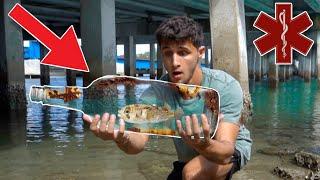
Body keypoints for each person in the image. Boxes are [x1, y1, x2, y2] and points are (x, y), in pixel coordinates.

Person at [82, 16, 252, 180]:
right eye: (167, 53)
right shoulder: (156, 92)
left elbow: (226, 151)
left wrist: (204, 144)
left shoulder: (224, 87)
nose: (174, 61)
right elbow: (138, 142)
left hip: (228, 149)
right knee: (187, 172)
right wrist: (120, 136)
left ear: (200, 53)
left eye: (183, 53)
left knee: (192, 174)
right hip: (189, 153)